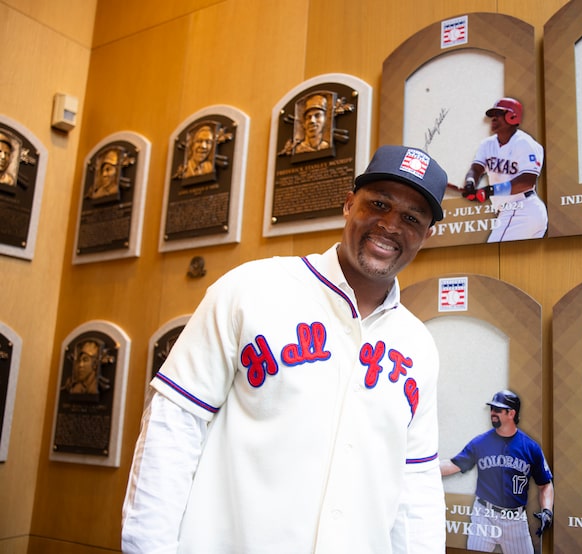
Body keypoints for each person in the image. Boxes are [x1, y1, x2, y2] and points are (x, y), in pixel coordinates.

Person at [122, 145, 448, 553]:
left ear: (426, 235)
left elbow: (416, 487)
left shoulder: (419, 345)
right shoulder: (251, 288)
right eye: (378, 204)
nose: (389, 225)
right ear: (349, 205)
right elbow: (172, 429)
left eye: (411, 218)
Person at [440, 390, 554, 554]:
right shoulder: (481, 442)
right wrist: (421, 467)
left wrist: (547, 511)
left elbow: (545, 485)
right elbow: (453, 465)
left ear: (511, 413)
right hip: (484, 515)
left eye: (498, 410)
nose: (492, 413)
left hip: (515, 520)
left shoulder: (530, 448)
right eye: (492, 409)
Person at [460, 98, 547, 242]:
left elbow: (527, 181)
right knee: (514, 264)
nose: (493, 119)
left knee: (493, 258)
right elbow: (476, 169)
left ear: (512, 116)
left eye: (498, 114)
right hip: (512, 212)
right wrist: (470, 183)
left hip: (521, 208)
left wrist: (489, 191)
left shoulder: (525, 143)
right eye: (492, 115)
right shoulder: (487, 144)